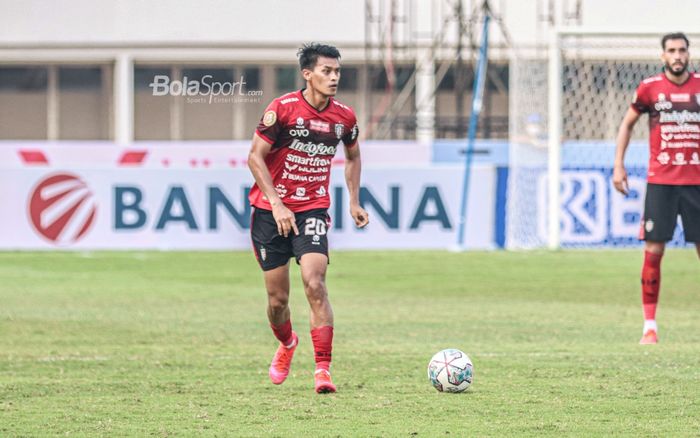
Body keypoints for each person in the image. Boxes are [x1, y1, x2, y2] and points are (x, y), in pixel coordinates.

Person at [247, 43, 369, 392]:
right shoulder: (282, 110)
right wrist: (277, 203)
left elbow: (353, 156)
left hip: (313, 208)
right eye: (327, 71)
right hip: (270, 213)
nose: (334, 78)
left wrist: (354, 201)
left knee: (315, 283)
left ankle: (323, 371)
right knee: (278, 300)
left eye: (337, 72)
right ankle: (287, 344)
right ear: (308, 74)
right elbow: (255, 158)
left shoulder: (344, 117)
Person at [614, 32, 700, 344]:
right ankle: (649, 326)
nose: (677, 55)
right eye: (672, 51)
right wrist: (619, 164)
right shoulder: (649, 88)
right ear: (663, 56)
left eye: (682, 50)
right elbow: (627, 124)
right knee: (653, 251)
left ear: (688, 54)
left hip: (697, 184)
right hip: (661, 182)